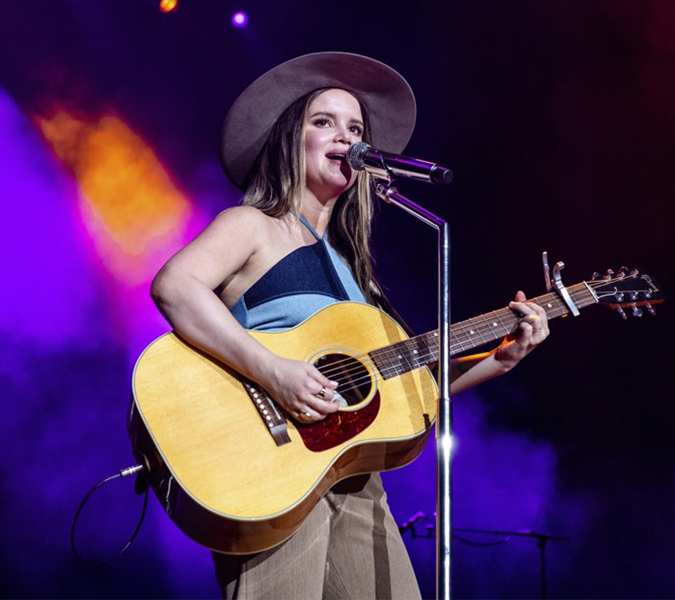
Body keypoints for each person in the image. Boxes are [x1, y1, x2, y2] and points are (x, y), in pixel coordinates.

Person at [150, 52, 550, 599]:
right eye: (325, 122)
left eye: (356, 128)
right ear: (291, 139)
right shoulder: (252, 225)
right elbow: (175, 286)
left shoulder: (354, 275)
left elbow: (408, 389)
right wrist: (275, 372)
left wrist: (499, 359)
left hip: (354, 475)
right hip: (275, 466)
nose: (346, 137)